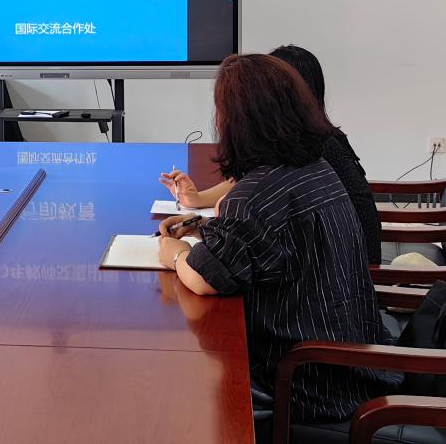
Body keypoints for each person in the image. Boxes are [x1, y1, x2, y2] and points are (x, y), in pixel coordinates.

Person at [156, 54, 395, 423]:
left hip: (306, 383)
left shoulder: (256, 195)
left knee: (174, 379)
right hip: (357, 364)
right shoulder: (314, 168)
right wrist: (202, 226)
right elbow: (270, 237)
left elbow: (205, 278)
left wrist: (174, 253)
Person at [160, 44, 381, 264]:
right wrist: (199, 204)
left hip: (352, 262)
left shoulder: (317, 154)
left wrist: (178, 255)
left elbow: (212, 274)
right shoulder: (311, 150)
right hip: (337, 265)